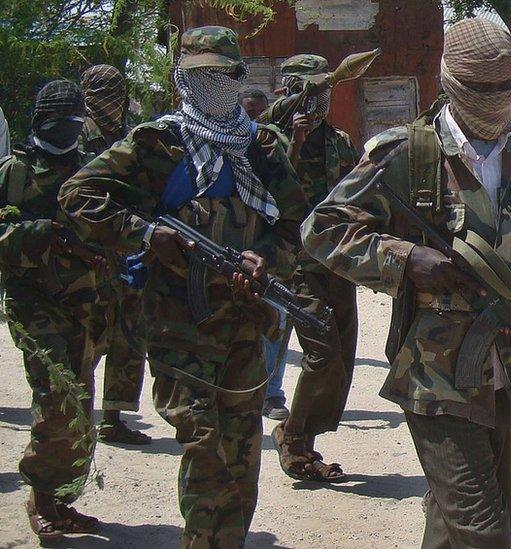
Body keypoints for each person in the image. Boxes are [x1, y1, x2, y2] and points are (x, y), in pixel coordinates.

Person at [302, 17, 511, 547]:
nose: (494, 100)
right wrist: (406, 258)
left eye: (506, 88)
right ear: (450, 83)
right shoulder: (406, 155)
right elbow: (322, 230)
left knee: (470, 522)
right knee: (482, 530)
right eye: (480, 89)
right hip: (435, 372)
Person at [59, 26, 308, 547]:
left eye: (222, 75)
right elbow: (78, 195)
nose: (212, 86)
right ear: (181, 80)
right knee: (204, 445)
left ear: (238, 79)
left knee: (240, 452)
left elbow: (295, 226)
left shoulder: (262, 149)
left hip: (244, 321)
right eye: (201, 76)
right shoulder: (157, 144)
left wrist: (266, 260)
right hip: (178, 325)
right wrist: (147, 235)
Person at [1, 80, 105, 543]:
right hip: (32, 302)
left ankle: (63, 498)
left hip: (84, 305)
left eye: (76, 123)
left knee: (80, 402)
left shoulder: (89, 169)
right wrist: (42, 233)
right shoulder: (16, 172)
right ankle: (41, 497)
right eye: (62, 123)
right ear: (42, 121)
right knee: (57, 397)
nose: (70, 132)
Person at [260, 53, 361, 481]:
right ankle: (294, 437)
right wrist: (293, 143)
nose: (316, 102)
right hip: (293, 264)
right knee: (322, 352)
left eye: (323, 92)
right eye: (309, 92)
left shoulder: (339, 140)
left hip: (335, 260)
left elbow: (360, 193)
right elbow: (264, 192)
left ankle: (306, 439)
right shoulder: (268, 138)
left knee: (343, 356)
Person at [78, 63, 152, 445]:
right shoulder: (76, 137)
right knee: (89, 336)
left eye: (115, 89)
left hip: (128, 249)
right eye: (101, 90)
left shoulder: (131, 136)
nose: (110, 98)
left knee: (129, 334)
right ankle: (78, 415)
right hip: (90, 254)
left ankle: (113, 415)